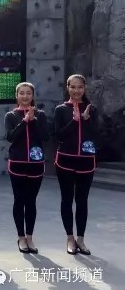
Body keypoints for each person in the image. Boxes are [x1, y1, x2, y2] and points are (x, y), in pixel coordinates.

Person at [54, 74, 97, 255]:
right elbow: (58, 135)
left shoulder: (92, 109)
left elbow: (97, 134)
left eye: (80, 87)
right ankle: (70, 238)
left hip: (86, 161)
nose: (76, 90)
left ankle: (81, 238)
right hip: (65, 160)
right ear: (68, 87)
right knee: (67, 199)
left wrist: (86, 120)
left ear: (84, 88)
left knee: (82, 200)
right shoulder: (61, 109)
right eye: (73, 87)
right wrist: (75, 121)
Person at [5, 82, 48, 254]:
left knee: (31, 201)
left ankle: (30, 237)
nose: (25, 96)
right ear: (17, 96)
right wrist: (24, 121)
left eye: (28, 93)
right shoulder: (11, 115)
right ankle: (21, 237)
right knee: (19, 200)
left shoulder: (41, 115)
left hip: (36, 164)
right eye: (21, 93)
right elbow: (11, 137)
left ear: (33, 95)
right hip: (17, 163)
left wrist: (34, 120)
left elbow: (45, 136)